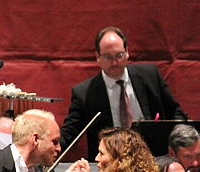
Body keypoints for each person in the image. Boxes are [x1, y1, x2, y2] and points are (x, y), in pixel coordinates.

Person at [60, 26, 186, 161]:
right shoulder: (84, 93)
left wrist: (179, 141)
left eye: (119, 55)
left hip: (154, 157)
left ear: (127, 52)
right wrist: (48, 148)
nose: (114, 62)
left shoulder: (150, 75)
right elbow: (70, 134)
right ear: (98, 57)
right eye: (108, 57)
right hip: (111, 163)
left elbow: (176, 113)